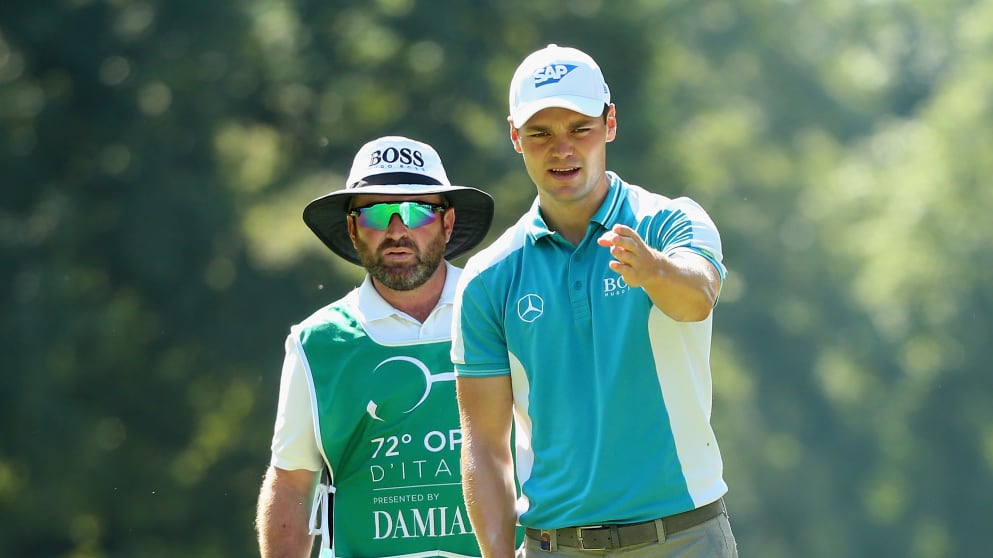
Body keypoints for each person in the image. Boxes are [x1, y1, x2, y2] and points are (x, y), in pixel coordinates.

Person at [451, 44, 739, 557]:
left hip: (682, 537)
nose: (562, 149)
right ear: (515, 137)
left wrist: (652, 268)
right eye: (540, 133)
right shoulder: (489, 278)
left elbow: (698, 297)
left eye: (579, 128)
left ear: (609, 124)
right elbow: (485, 448)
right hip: (554, 545)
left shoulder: (671, 222)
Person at [256, 136, 503, 558]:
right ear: (352, 229)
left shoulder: (500, 310)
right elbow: (292, 486)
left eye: (416, 211)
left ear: (447, 223)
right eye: (375, 214)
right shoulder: (317, 341)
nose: (396, 231)